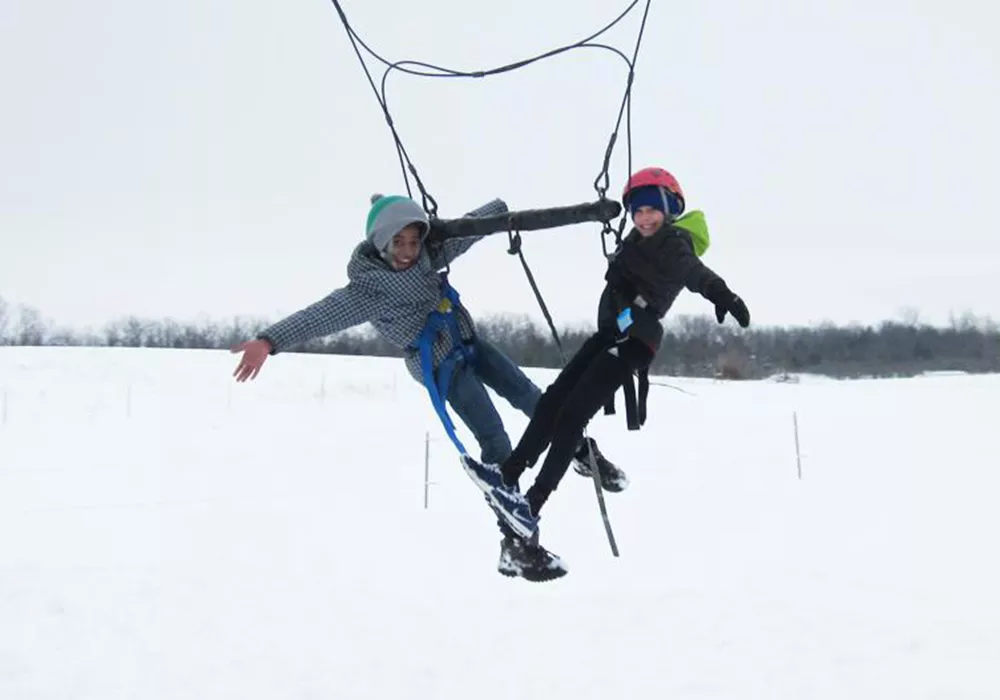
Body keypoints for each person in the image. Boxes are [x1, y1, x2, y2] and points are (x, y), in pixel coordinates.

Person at [230, 193, 628, 582]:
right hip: (442, 366)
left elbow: (473, 228)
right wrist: (268, 342)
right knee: (495, 439)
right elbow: (319, 316)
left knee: (533, 397)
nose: (407, 250)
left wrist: (500, 211)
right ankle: (517, 543)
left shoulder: (429, 256)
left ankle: (580, 453)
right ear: (380, 244)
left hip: (470, 342)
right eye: (397, 242)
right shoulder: (366, 291)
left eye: (414, 239)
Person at [461, 166, 752, 559]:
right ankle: (508, 474)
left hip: (633, 342)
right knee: (551, 401)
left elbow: (696, 274)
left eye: (652, 210)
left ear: (670, 209)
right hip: (610, 334)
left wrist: (724, 295)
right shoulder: (636, 242)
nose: (644, 218)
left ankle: (532, 504)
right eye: (638, 211)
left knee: (571, 416)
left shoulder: (674, 243)